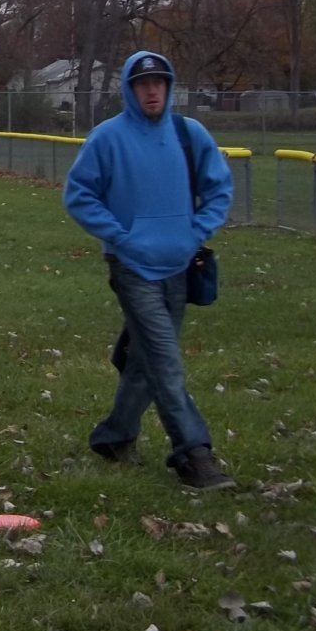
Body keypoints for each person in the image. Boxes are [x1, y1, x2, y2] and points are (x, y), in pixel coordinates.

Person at [63, 50, 236, 490]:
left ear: (170, 86)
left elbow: (219, 189)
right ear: (130, 89)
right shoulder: (107, 138)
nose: (152, 90)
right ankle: (193, 453)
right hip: (132, 267)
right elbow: (80, 195)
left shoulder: (188, 134)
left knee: (146, 361)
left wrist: (194, 233)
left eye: (159, 82)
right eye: (143, 84)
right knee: (164, 358)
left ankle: (114, 436)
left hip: (179, 266)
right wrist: (121, 237)